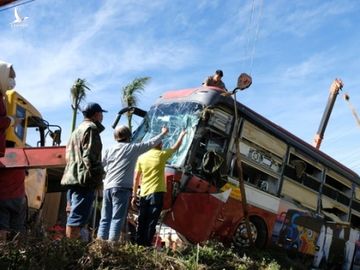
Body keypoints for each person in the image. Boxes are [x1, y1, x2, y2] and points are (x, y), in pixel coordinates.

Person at [96, 125, 169, 242]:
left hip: (107, 187)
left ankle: (99, 243)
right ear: (129, 136)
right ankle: (111, 246)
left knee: (104, 218)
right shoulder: (132, 148)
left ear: (115, 137)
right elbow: (150, 143)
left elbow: (101, 166)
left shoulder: (110, 149)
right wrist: (163, 134)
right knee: (117, 218)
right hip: (121, 188)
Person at [131, 129, 186, 246]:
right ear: (159, 145)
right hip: (156, 193)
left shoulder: (141, 157)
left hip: (144, 193)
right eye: (161, 143)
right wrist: (181, 135)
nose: (162, 144)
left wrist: (134, 195)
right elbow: (176, 147)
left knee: (142, 219)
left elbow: (136, 178)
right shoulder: (161, 155)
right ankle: (146, 244)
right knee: (152, 220)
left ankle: (138, 243)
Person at [61, 102, 107, 239]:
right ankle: (70, 250)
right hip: (84, 180)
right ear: (96, 114)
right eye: (101, 113)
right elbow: (91, 158)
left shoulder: (77, 130)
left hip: (71, 177)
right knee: (77, 217)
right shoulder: (91, 128)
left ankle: (67, 249)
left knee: (72, 215)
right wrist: (98, 178)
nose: (102, 116)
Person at [0, 60, 27, 241]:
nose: (12, 81)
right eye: (11, 77)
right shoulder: (20, 160)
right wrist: (9, 120)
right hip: (14, 200)